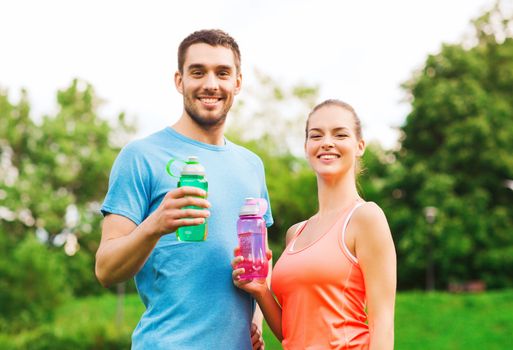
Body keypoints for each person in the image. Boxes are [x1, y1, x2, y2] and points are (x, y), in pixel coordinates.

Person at [95, 29, 273, 350]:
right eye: (197, 72)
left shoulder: (252, 166)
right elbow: (106, 269)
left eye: (222, 73)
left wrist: (254, 322)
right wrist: (155, 225)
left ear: (238, 82)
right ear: (179, 81)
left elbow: (259, 261)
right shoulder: (140, 157)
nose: (210, 84)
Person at [232, 99, 396, 349]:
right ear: (307, 146)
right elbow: (293, 332)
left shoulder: (366, 218)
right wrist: (261, 291)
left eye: (340, 134)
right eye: (316, 135)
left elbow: (382, 326)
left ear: (359, 145)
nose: (327, 142)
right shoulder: (295, 233)